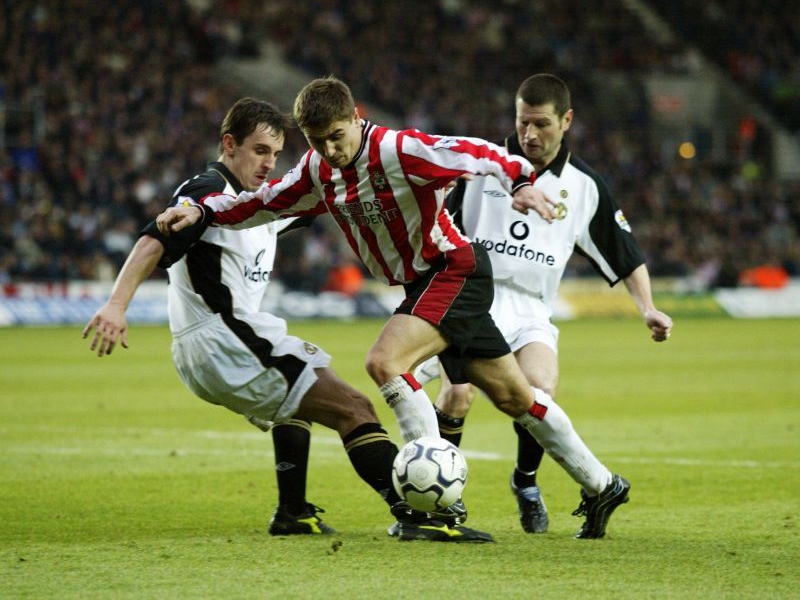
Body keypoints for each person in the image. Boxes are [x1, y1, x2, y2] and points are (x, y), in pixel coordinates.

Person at [157, 77, 633, 539]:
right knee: (516, 397)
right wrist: (203, 211)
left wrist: (520, 182)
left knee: (385, 362)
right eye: (318, 142)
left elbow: (477, 152)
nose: (330, 151)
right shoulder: (317, 170)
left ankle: (433, 505)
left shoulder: (400, 150)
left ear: (357, 119)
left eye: (337, 138)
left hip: (454, 271)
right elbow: (261, 204)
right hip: (424, 284)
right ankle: (603, 485)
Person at [82, 97, 491, 542]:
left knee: (297, 398)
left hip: (218, 345)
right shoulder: (206, 191)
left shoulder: (254, 203)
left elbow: (319, 199)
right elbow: (155, 240)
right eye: (259, 151)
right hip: (225, 339)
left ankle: (292, 512)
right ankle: (417, 513)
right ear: (229, 144)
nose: (269, 163)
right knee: (353, 409)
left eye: (276, 153)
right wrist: (116, 305)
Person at [416, 73, 673, 535]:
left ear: (566, 121)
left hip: (532, 306)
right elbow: (434, 221)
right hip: (476, 296)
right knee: (458, 394)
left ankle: (526, 482)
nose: (529, 135)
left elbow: (626, 254)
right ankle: (440, 500)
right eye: (522, 123)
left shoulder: (585, 187)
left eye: (541, 124)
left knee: (540, 391)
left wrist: (647, 308)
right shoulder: (482, 164)